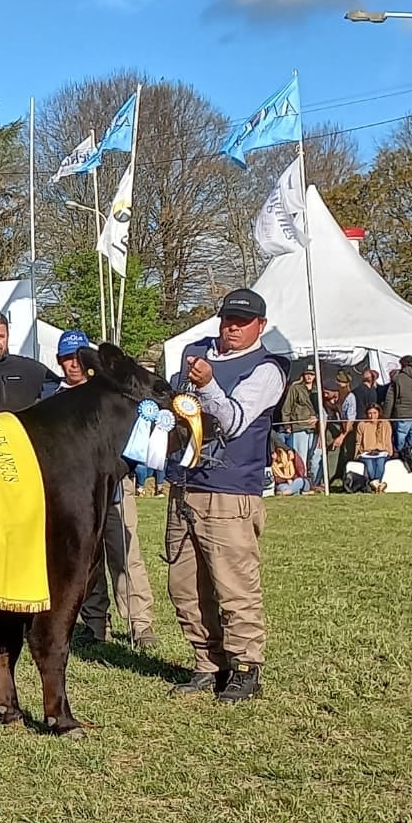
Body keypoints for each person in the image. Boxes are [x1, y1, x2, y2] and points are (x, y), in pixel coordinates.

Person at [165, 288, 288, 704]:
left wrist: (210, 384)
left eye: (243, 321)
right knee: (185, 586)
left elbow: (234, 420)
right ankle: (207, 663)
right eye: (227, 319)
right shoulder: (192, 354)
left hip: (230, 491)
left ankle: (246, 667)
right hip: (184, 485)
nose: (232, 327)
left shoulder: (268, 369)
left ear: (260, 326)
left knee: (234, 585)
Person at [49, 331, 157, 650]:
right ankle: (95, 624)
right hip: (76, 493)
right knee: (87, 560)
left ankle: (141, 624)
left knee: (125, 554)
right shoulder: (53, 398)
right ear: (59, 362)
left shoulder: (113, 395)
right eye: (68, 358)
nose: (74, 364)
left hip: (115, 485)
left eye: (80, 357)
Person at [279, 366, 323, 492]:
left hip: (314, 428)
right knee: (301, 458)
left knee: (314, 457)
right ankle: (301, 484)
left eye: (312, 374)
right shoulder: (295, 388)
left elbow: (322, 409)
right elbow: (287, 407)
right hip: (299, 427)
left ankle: (313, 483)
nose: (309, 377)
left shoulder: (317, 389)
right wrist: (287, 424)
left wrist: (318, 418)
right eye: (307, 374)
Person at [354, 403, 394, 493]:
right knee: (370, 466)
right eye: (370, 413)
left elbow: (388, 439)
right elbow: (358, 441)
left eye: (375, 413)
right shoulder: (362, 425)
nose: (372, 415)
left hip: (381, 451)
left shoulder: (385, 424)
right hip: (366, 452)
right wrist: (357, 453)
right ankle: (378, 485)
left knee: (380, 463)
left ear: (379, 413)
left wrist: (389, 451)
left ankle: (375, 484)